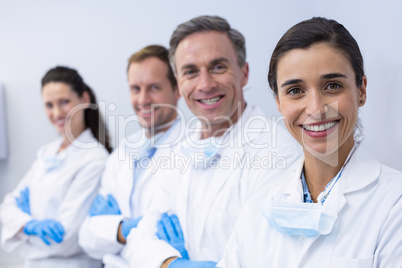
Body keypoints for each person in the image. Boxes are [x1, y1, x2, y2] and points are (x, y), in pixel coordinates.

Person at [217, 17, 402, 267]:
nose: (316, 109)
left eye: (332, 86)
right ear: (279, 102)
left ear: (361, 90)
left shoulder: (394, 203)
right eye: (295, 91)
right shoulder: (260, 204)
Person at [124, 16, 301, 268]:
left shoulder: (279, 152)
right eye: (191, 72)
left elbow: (270, 258)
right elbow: (140, 241)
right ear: (179, 82)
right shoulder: (181, 148)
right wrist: (170, 263)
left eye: (218, 67)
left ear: (244, 73)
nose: (205, 84)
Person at [78, 45, 181, 268]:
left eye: (154, 87)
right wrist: (127, 228)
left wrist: (113, 229)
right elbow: (86, 238)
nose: (143, 99)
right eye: (135, 88)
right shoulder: (121, 154)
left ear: (178, 88)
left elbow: (161, 242)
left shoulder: (193, 151)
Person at [0, 66, 111, 268]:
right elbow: (6, 207)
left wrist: (21, 225)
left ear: (84, 100)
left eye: (64, 102)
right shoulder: (47, 153)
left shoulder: (95, 159)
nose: (56, 113)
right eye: (49, 105)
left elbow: (65, 241)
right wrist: (30, 225)